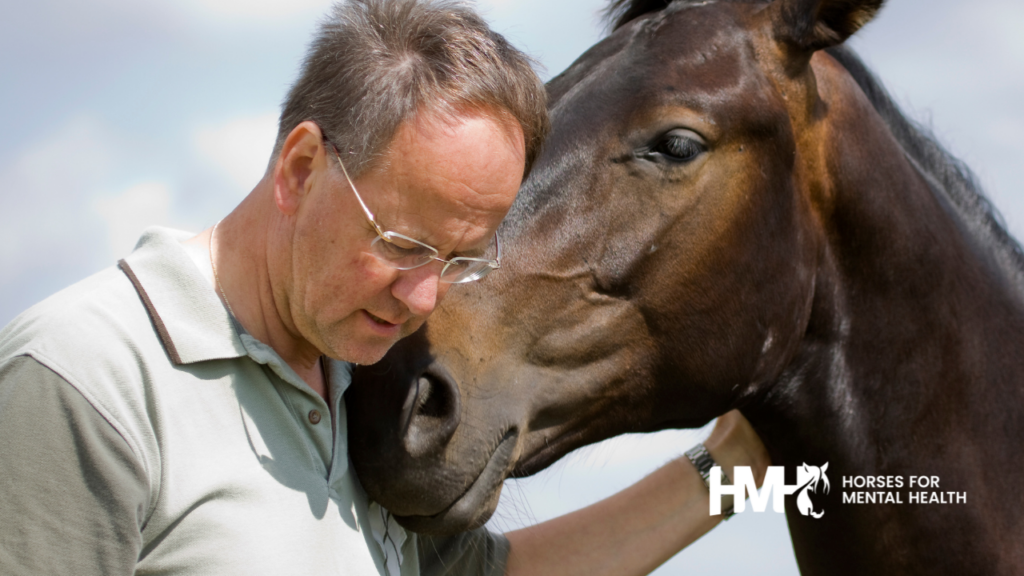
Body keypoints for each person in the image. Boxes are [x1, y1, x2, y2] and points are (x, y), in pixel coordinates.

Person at [0, 1, 770, 575]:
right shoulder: (85, 378)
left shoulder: (364, 381)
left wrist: (726, 476)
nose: (426, 300)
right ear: (301, 168)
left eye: (462, 260)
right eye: (402, 245)